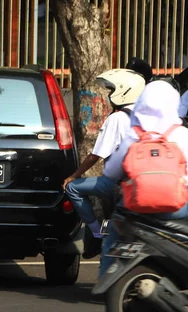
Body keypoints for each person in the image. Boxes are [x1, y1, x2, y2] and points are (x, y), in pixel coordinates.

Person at [100, 80, 188, 277]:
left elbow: (110, 172)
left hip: (135, 208)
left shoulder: (134, 134)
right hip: (175, 210)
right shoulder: (184, 134)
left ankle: (105, 279)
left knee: (112, 237)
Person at [63, 69, 146, 244]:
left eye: (112, 90)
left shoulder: (117, 119)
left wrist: (73, 176)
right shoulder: (148, 116)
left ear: (124, 90)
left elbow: (95, 156)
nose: (109, 94)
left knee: (73, 188)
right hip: (147, 181)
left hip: (119, 183)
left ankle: (96, 233)